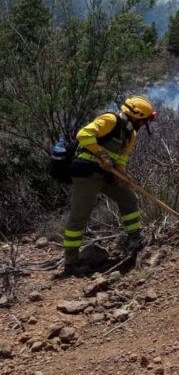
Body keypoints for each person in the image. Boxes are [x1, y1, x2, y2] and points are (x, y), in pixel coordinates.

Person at [62, 96, 156, 276]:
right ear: (135, 115)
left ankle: (134, 239)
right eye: (144, 120)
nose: (144, 124)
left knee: (128, 198)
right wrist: (102, 155)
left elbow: (122, 157)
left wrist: (122, 172)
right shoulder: (110, 120)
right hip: (87, 172)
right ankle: (71, 263)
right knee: (80, 214)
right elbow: (83, 134)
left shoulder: (131, 134)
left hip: (108, 174)